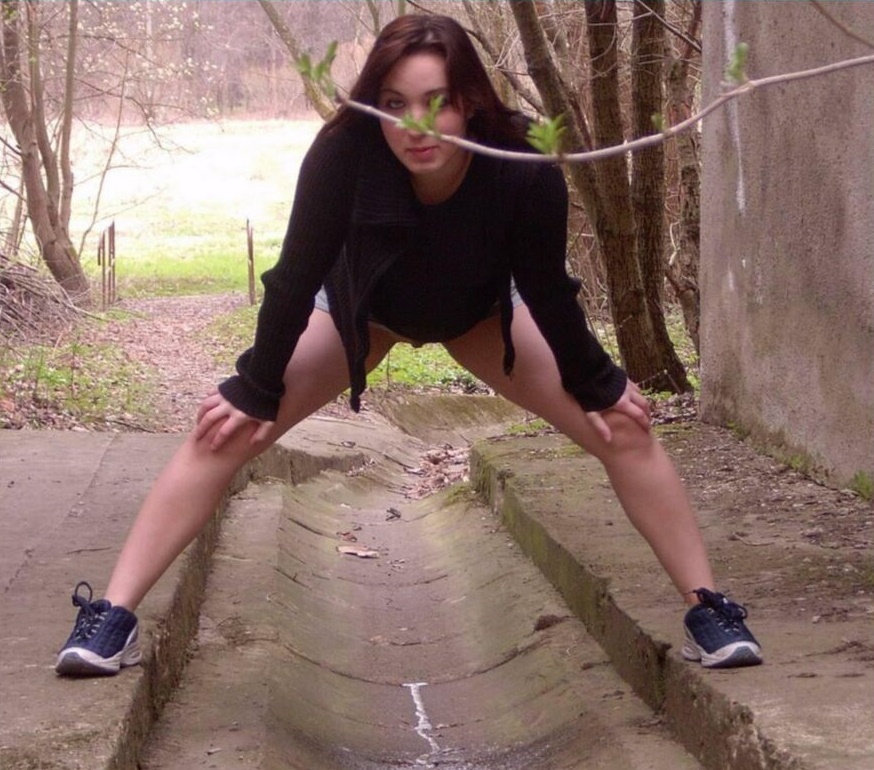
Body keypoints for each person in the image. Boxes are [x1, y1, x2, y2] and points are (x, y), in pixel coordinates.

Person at [56, 14, 761, 677]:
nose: (413, 125)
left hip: (482, 318)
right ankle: (110, 617)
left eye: (435, 102)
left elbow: (548, 288)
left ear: (470, 103)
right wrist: (256, 386)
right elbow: (294, 277)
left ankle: (710, 611)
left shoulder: (520, 158)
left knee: (625, 428)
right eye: (394, 103)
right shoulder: (345, 152)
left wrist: (598, 381)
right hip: (360, 314)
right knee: (224, 429)